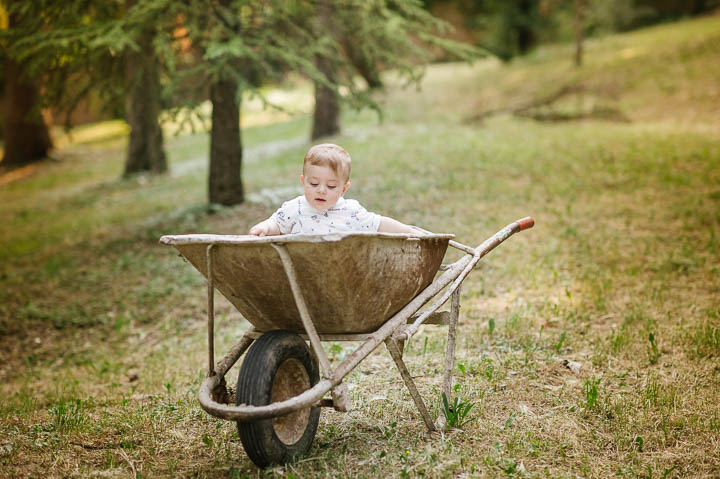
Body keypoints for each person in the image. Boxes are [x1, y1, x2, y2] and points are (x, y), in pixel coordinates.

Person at [249, 143, 418, 236]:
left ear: (344, 189)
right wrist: (265, 227)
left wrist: (408, 231)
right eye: (314, 184)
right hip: (301, 272)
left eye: (331, 186)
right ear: (303, 182)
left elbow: (379, 223)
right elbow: (277, 224)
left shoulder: (351, 211)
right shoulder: (296, 208)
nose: (321, 190)